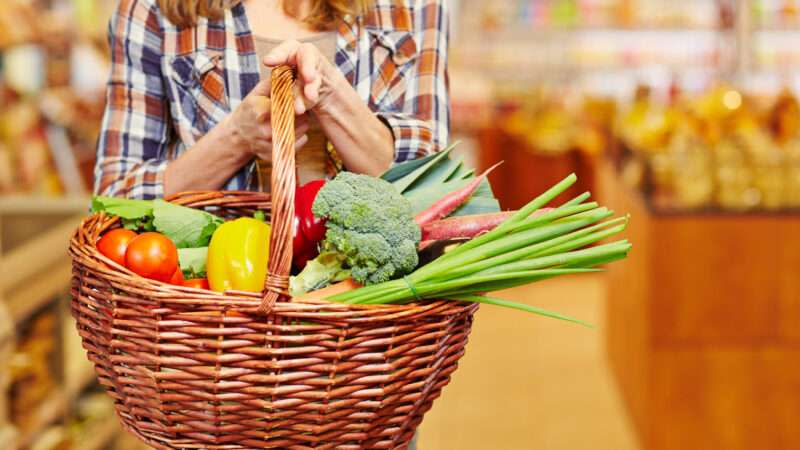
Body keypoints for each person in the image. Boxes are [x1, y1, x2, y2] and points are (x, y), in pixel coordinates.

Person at [94, 0, 449, 200]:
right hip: (213, 306)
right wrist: (237, 138)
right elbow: (114, 200)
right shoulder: (155, 10)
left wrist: (330, 97)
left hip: (368, 313)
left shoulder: (413, 7)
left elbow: (437, 188)